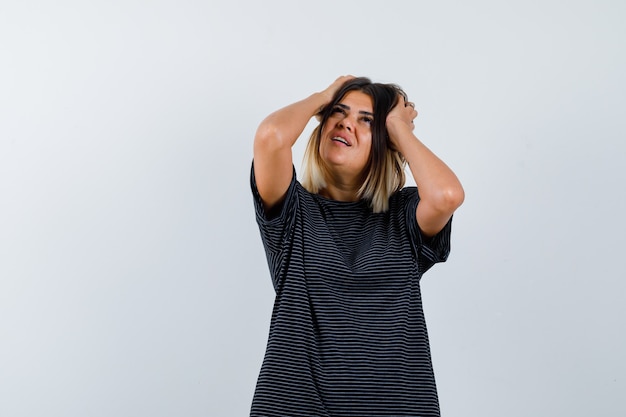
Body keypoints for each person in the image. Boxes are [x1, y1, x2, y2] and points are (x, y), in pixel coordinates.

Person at [250, 76, 464, 417]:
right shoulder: (293, 212)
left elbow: (447, 196)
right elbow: (271, 137)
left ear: (386, 140)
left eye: (367, 121)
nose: (346, 123)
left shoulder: (405, 215)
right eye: (338, 111)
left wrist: (399, 127)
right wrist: (321, 96)